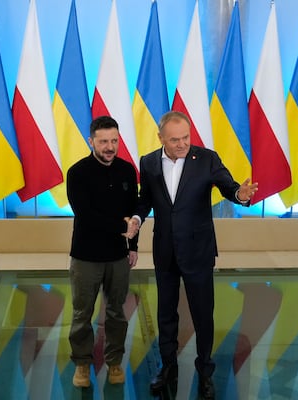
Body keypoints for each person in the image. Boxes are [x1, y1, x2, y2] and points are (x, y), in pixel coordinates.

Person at [126, 111, 258, 399]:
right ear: (161, 138)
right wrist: (136, 218)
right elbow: (145, 200)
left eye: (186, 137)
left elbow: (228, 187)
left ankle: (205, 370)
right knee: (166, 313)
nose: (182, 143)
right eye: (175, 140)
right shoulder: (148, 163)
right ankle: (168, 366)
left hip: (198, 250)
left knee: (202, 314)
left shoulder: (207, 158)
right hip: (165, 250)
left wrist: (240, 195)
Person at [67, 115, 139, 388]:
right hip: (86, 256)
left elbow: (134, 213)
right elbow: (85, 215)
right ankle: (83, 364)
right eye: (104, 141)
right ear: (91, 141)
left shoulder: (127, 170)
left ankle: (114, 362)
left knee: (117, 313)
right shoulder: (77, 172)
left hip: (118, 257)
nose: (110, 146)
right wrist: (121, 228)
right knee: (82, 313)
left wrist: (132, 246)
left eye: (114, 141)